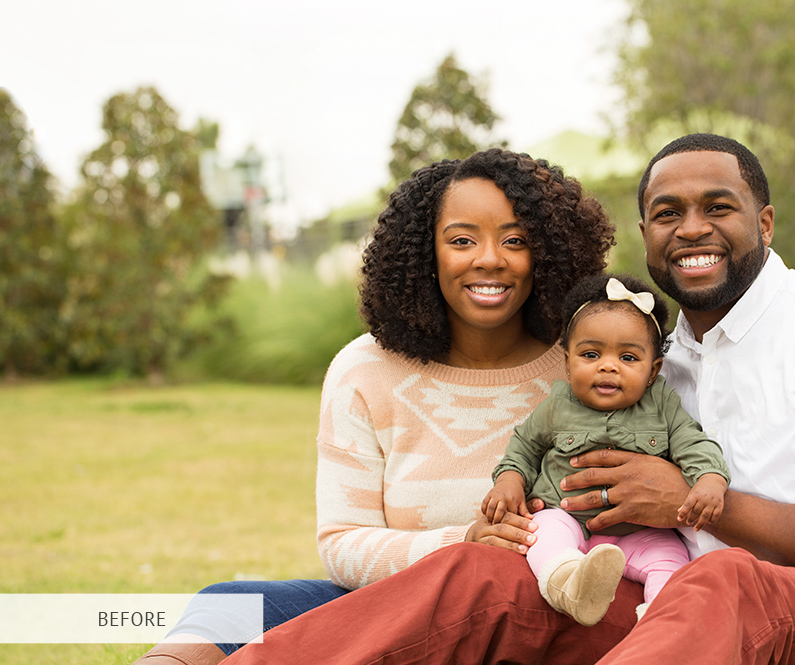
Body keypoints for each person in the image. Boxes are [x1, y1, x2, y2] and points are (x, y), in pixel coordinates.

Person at [220, 133, 795, 665]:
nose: (693, 228)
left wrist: (689, 503)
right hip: (673, 613)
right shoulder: (652, 359)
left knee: (726, 577)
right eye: (668, 213)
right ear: (644, 234)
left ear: (764, 222)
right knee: (492, 575)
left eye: (719, 206)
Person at [132, 147, 621, 665]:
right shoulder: (364, 370)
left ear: (546, 252)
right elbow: (342, 543)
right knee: (230, 607)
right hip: (400, 605)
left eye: (515, 240)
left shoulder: (587, 366)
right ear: (425, 253)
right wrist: (463, 544)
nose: (489, 259)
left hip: (538, 614)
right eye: (461, 240)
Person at [483, 272, 729, 626]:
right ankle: (570, 585)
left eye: (628, 358)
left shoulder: (661, 403)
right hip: (566, 515)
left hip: (639, 530)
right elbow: (523, 447)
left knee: (670, 560)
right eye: (591, 354)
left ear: (653, 370)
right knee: (541, 534)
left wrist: (709, 479)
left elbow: (692, 441)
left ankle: (662, 622)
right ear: (567, 361)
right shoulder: (556, 405)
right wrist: (509, 481)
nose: (608, 365)